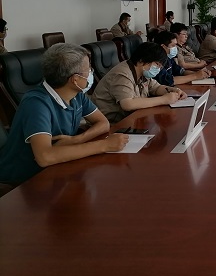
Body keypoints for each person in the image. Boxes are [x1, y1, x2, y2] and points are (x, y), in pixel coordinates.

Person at [0, 44, 128, 186]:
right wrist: (105, 145)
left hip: (56, 169)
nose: (91, 72)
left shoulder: (77, 94)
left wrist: (77, 139)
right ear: (75, 79)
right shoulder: (36, 103)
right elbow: (44, 157)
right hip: (23, 181)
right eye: (88, 69)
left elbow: (103, 123)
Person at [91, 42, 186, 123]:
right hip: (112, 125)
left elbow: (156, 88)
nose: (158, 69)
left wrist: (173, 90)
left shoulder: (142, 71)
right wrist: (164, 99)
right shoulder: (122, 74)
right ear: (141, 60)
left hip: (132, 119)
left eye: (160, 67)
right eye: (157, 64)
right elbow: (128, 104)